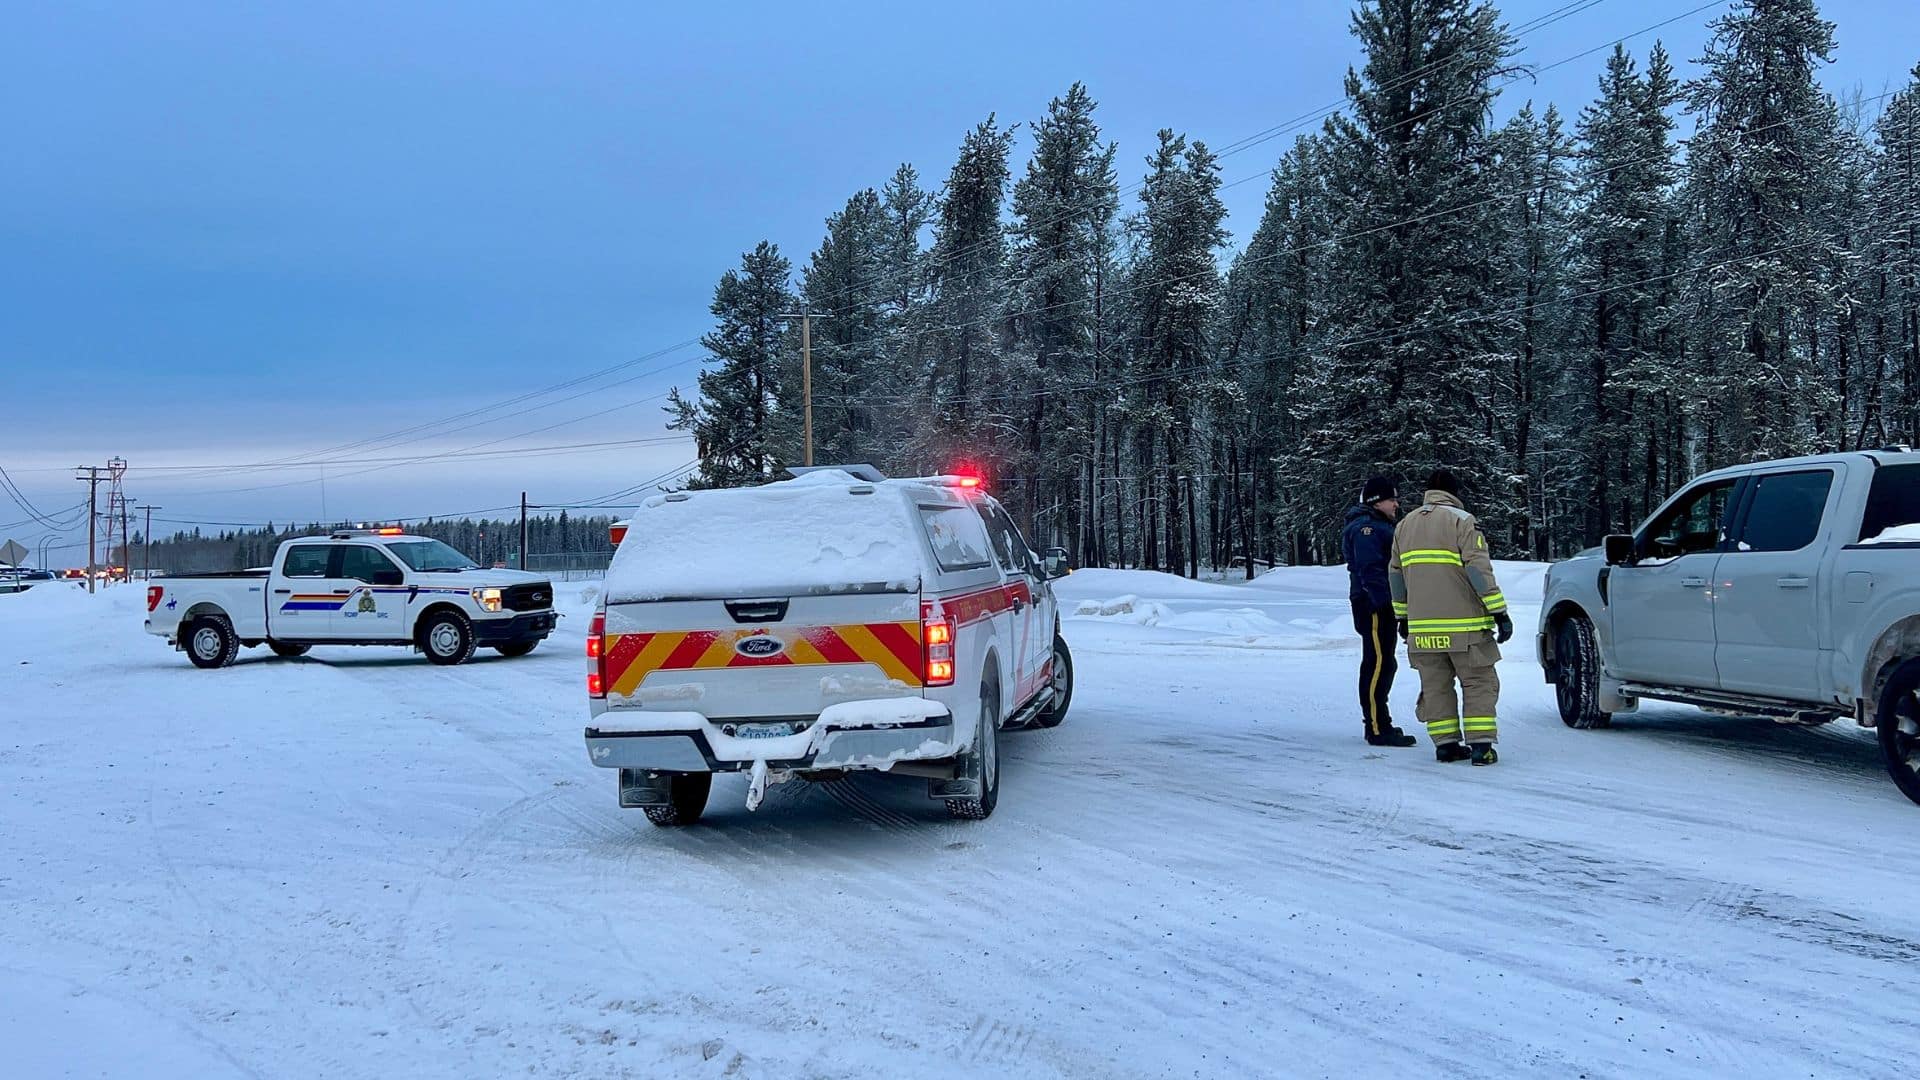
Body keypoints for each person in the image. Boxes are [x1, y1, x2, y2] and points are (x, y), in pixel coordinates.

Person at [1388, 469, 1513, 766]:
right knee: (1478, 683)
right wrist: (1499, 611)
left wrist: (1403, 617)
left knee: (1435, 687)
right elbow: (1477, 569)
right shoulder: (1462, 520)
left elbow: (1395, 576)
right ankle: (1482, 748)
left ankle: (1445, 745)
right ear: (1455, 493)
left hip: (1422, 630)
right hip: (1465, 627)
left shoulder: (1404, 525)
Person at [1342, 475, 1417, 748]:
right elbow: (1370, 570)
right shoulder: (1367, 529)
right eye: (1391, 499)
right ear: (1376, 501)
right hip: (1373, 604)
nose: (1396, 504)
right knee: (1377, 664)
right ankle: (1375, 726)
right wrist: (1385, 604)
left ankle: (1380, 722)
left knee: (1385, 662)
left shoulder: (1379, 525)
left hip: (1381, 603)